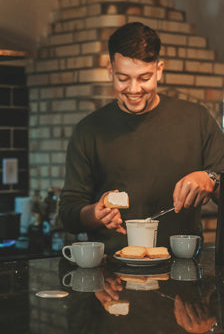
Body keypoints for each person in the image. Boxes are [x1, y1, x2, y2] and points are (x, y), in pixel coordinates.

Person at [59, 21, 224, 253]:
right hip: (111, 276)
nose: (134, 89)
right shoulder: (88, 130)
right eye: (123, 78)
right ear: (110, 71)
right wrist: (94, 214)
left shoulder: (196, 118)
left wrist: (211, 180)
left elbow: (219, 179)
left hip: (183, 269)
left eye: (144, 78)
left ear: (159, 70)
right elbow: (68, 213)